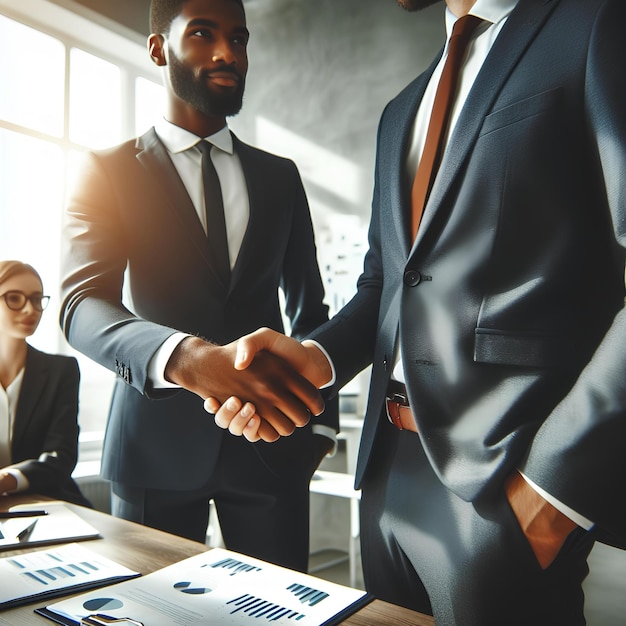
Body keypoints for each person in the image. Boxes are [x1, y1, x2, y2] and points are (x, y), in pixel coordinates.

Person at [207, 0, 626, 623]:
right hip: (384, 481)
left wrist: (549, 493)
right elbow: (386, 284)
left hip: (504, 487)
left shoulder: (593, 26)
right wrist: (315, 357)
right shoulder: (401, 109)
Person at [59, 0, 337, 572]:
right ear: (159, 49)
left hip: (273, 445)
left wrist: (320, 426)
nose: (227, 53)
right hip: (150, 453)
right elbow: (82, 304)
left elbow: (311, 308)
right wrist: (184, 358)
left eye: (240, 39)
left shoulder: (280, 178)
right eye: (204, 34)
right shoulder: (107, 170)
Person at [0, 260, 90, 507]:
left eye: (37, 299)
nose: (30, 309)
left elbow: (61, 457)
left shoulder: (62, 371)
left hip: (47, 503)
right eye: (14, 298)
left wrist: (7, 479)